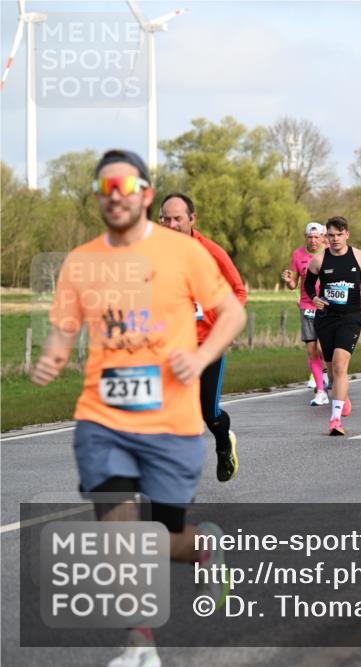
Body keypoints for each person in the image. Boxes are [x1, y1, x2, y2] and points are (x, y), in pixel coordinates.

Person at [32, 150, 245, 667]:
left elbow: (232, 312)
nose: (115, 198)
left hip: (171, 419)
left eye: (125, 189)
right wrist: (56, 353)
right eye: (106, 190)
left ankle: (201, 549)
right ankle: (140, 645)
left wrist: (199, 356)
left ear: (144, 195)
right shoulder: (82, 260)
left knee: (163, 536)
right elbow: (65, 322)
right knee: (120, 531)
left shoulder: (187, 253)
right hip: (103, 416)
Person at [158, 192, 247, 483]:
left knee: (209, 412)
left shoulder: (211, 252)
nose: (170, 225)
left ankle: (224, 444)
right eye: (165, 219)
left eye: (177, 219)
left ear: (192, 219)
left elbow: (238, 291)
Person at [304, 216, 361, 436]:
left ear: (347, 235)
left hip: (351, 317)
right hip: (326, 318)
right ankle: (342, 396)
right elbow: (308, 284)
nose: (335, 239)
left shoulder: (359, 256)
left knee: (341, 364)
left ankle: (335, 420)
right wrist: (314, 297)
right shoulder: (319, 259)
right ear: (327, 237)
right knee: (332, 369)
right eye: (331, 235)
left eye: (339, 235)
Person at [281, 222, 330, 406]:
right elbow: (294, 283)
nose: (313, 240)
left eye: (317, 237)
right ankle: (320, 390)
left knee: (323, 349)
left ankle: (331, 377)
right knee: (311, 349)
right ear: (305, 237)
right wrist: (288, 281)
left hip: (327, 305)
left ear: (323, 237)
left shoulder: (330, 252)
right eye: (310, 237)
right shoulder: (298, 254)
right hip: (307, 304)